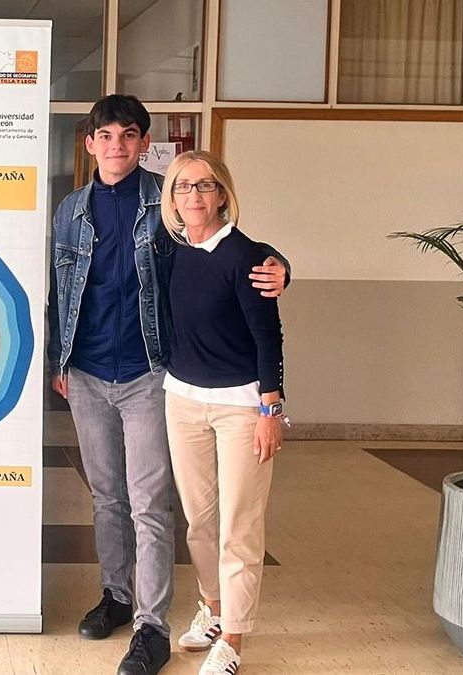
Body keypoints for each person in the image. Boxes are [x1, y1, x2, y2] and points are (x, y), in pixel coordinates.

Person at [47, 95, 287, 675]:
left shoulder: (168, 200)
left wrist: (281, 266)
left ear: (143, 143)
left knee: (149, 503)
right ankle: (116, 595)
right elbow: (59, 286)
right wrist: (60, 359)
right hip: (86, 372)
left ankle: (150, 626)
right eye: (106, 136)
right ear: (90, 144)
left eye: (129, 135)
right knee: (106, 495)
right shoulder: (70, 209)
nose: (117, 146)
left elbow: (226, 251)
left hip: (151, 374)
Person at [159, 151, 285, 675]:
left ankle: (233, 638)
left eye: (205, 185)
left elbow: (268, 335)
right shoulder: (172, 250)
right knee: (199, 520)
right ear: (171, 198)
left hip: (241, 407)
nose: (194, 195)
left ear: (222, 194)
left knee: (239, 524)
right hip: (182, 399)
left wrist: (270, 409)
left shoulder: (247, 256)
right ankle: (212, 610)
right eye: (183, 186)